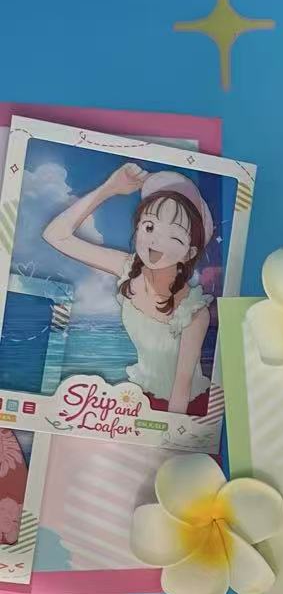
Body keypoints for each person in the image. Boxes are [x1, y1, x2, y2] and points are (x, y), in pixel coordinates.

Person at [42, 162, 215, 414]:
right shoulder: (128, 267)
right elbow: (55, 235)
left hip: (180, 409)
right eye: (149, 226)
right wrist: (109, 188)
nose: (155, 241)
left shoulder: (194, 312)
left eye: (174, 236)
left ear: (189, 253)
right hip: (139, 397)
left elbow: (181, 389)